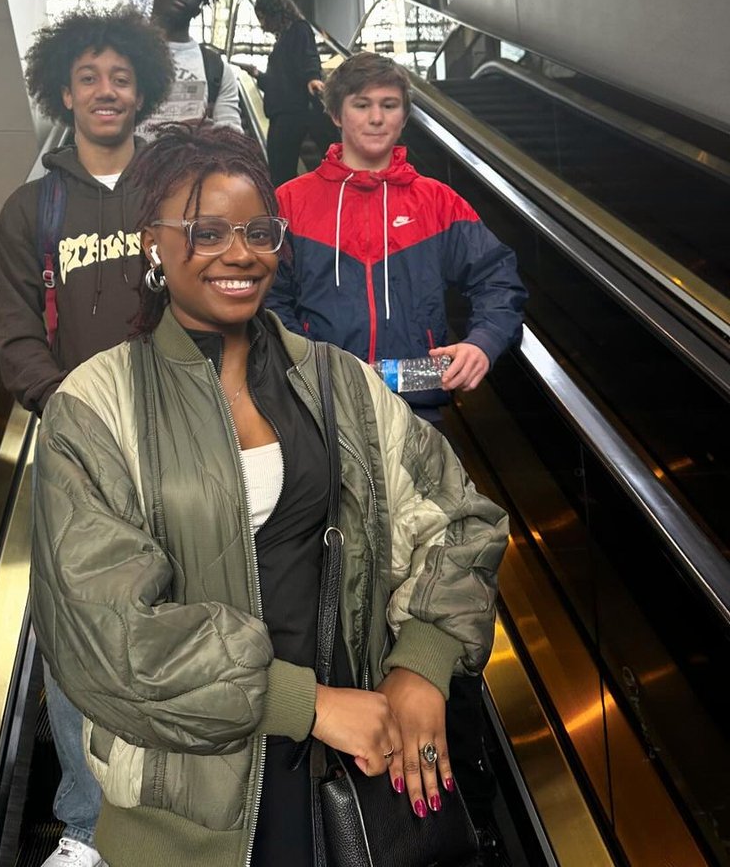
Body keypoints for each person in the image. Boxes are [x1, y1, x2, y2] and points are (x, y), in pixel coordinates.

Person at [30, 120, 509, 867]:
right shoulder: (95, 405)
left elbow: (458, 516)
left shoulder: (334, 379)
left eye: (259, 230)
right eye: (207, 231)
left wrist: (421, 661)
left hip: (354, 776)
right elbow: (105, 635)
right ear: (152, 242)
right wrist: (306, 705)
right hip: (189, 810)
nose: (241, 254)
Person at [267, 49, 526, 854]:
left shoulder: (440, 203)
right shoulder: (288, 203)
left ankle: (416, 759)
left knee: (423, 563)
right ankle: (337, 755)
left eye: (391, 107)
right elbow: (265, 300)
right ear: (336, 115)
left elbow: (501, 282)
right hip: (321, 423)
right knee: (331, 583)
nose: (378, 120)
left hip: (418, 424)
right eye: (364, 107)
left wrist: (483, 342)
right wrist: (309, 373)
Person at [0, 7, 174, 867]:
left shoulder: (174, 194)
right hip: (73, 448)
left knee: (183, 615)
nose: (107, 91)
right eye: (90, 77)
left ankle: (182, 807)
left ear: (143, 91)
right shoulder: (34, 209)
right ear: (64, 92)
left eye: (122, 77)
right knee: (71, 638)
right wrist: (65, 409)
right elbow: (18, 333)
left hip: (177, 438)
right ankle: (86, 826)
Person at [144, 0, 242, 135]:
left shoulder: (216, 68)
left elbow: (232, 135)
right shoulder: (120, 53)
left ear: (198, 9)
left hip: (191, 163)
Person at [236, 0, 326, 187]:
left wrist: (313, 78)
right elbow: (278, 83)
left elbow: (309, 55)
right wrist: (258, 75)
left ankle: (283, 212)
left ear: (275, 12)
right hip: (280, 112)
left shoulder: (299, 29)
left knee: (281, 171)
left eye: (263, 17)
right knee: (278, 170)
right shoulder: (282, 40)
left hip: (292, 112)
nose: (261, 24)